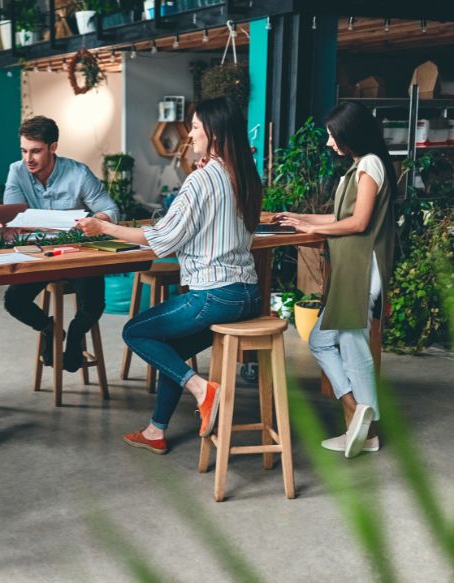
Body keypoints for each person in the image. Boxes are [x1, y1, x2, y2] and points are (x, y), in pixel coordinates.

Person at [75, 96, 263, 455]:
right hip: (249, 297)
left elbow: (160, 240)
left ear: (215, 132)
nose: (190, 134)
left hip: (214, 296)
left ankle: (201, 390)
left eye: (194, 127)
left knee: (135, 331)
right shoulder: (247, 176)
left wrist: (102, 227)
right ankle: (155, 430)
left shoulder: (202, 180)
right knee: (171, 351)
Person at [275, 102, 395, 458]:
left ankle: (366, 426)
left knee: (354, 346)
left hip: (362, 270)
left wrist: (312, 227)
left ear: (350, 135)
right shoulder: (358, 167)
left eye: (332, 136)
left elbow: (359, 223)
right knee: (321, 341)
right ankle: (355, 413)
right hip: (350, 270)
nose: (329, 143)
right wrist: (300, 217)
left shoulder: (370, 164)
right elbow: (342, 215)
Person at [3, 115, 119, 372]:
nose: (28, 159)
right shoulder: (16, 171)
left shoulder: (78, 173)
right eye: (24, 151)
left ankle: (75, 336)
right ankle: (50, 329)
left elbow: (110, 209)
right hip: (38, 256)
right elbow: (13, 216)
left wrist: (97, 221)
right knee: (13, 301)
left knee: (94, 305)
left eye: (35, 151)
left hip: (75, 253)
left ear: (53, 147)